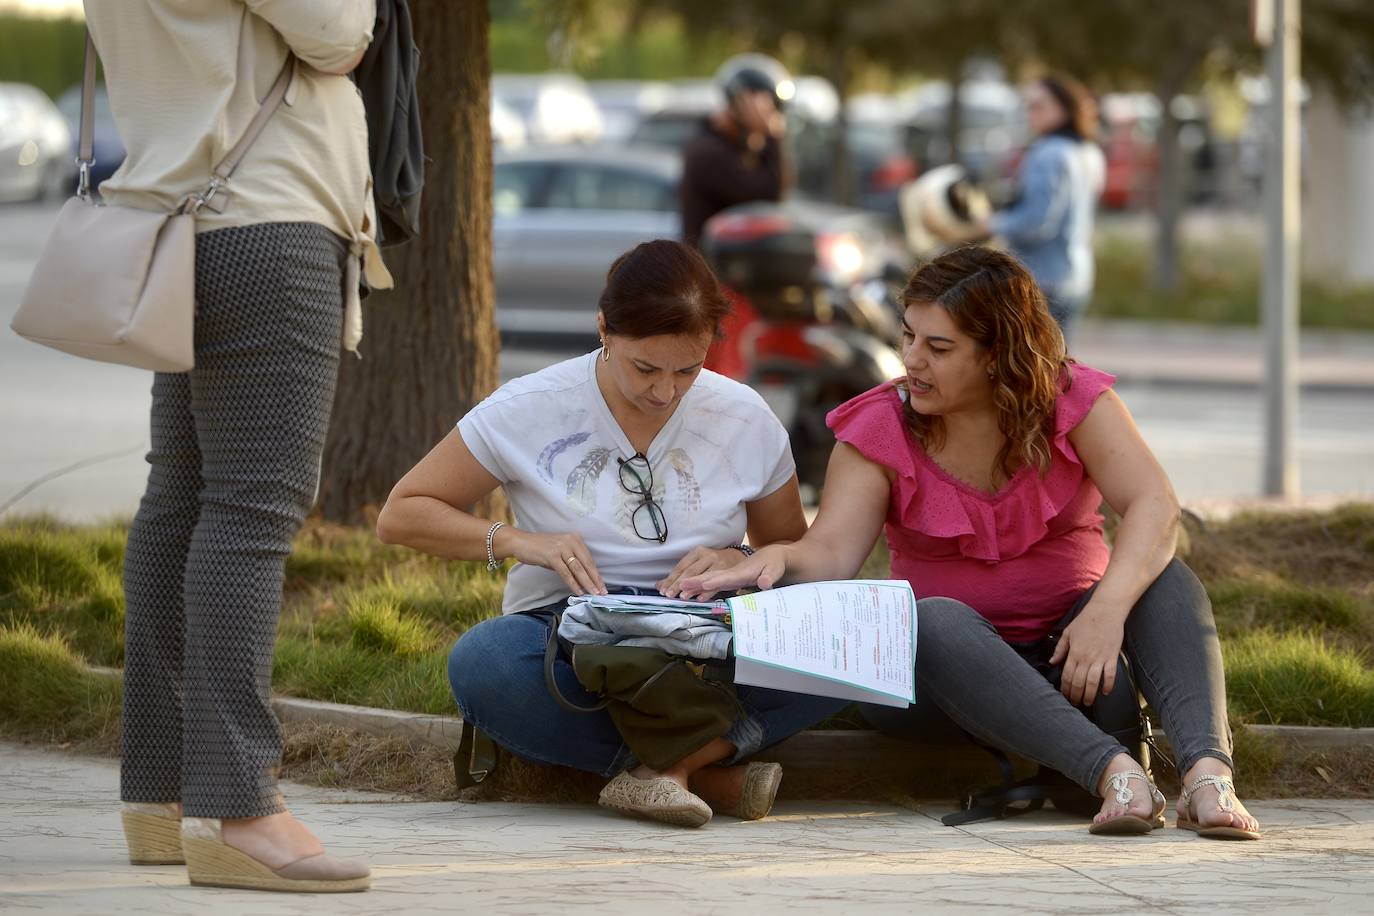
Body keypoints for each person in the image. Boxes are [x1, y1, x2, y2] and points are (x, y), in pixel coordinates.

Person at [686, 246, 1262, 841]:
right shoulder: (879, 425)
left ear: (998, 354)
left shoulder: (1072, 398)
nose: (911, 360)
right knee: (929, 619)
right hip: (938, 681)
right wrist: (770, 556)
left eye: (938, 348)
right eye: (908, 336)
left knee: (1166, 579)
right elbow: (830, 552)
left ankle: (1207, 776)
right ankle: (1116, 773)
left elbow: (1156, 505)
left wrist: (1106, 612)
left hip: (1070, 657)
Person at [376, 240, 847, 828]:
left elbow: (791, 555)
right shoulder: (531, 405)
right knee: (485, 663)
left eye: (689, 369)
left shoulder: (746, 415)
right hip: (572, 631)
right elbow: (402, 512)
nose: (665, 392)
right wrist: (524, 542)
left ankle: (663, 773)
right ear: (603, 329)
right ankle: (704, 766)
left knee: (856, 642)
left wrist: (739, 556)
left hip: (704, 633)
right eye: (645, 367)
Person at [102, 0, 392, 893]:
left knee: (182, 502)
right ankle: (241, 810)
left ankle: (162, 794)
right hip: (266, 220)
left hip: (183, 221)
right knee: (250, 513)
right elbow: (339, 32)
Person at [979, 73, 1104, 343]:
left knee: (1033, 373)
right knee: (1058, 366)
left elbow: (1036, 222)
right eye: (1028, 105)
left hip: (1043, 278)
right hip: (1077, 274)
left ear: (1064, 107)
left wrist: (990, 223)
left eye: (1039, 106)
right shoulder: (1089, 152)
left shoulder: (1048, 153)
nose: (1030, 113)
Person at [680, 54, 790, 248]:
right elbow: (771, 194)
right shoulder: (709, 153)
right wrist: (773, 136)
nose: (770, 116)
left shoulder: (733, 146)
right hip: (710, 270)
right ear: (740, 103)